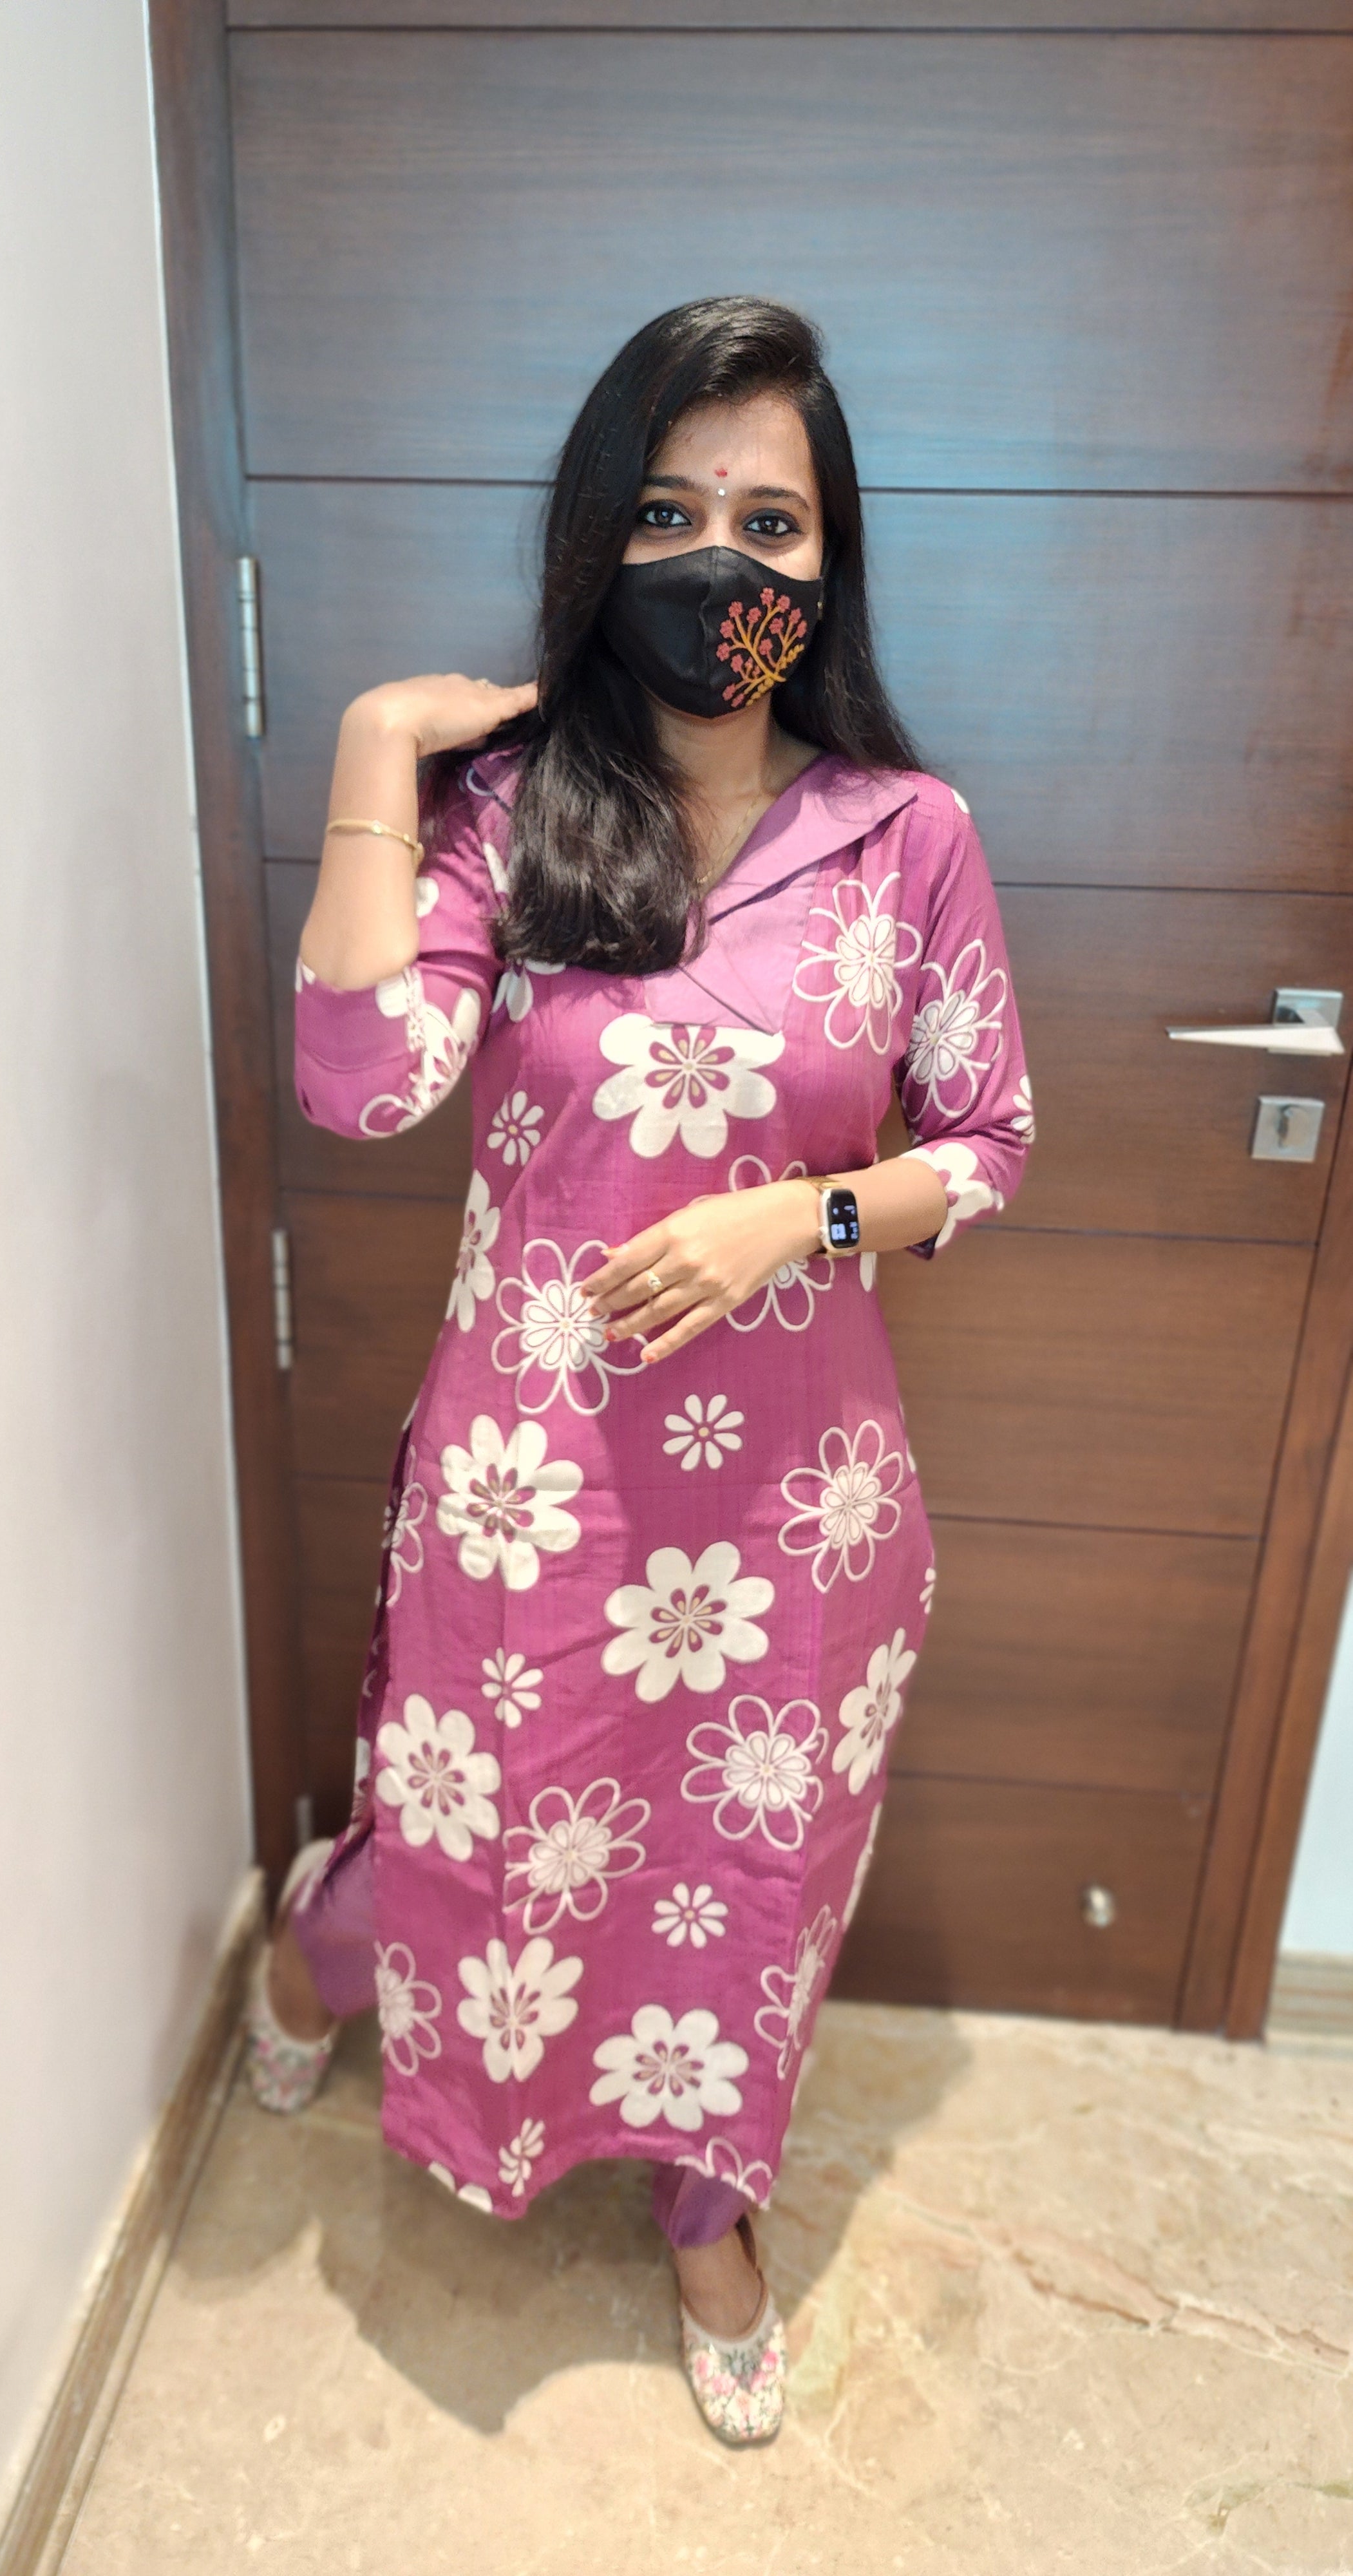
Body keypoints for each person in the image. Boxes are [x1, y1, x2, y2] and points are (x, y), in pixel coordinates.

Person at [243, 295, 1032, 2447]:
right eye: (669, 513)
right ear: (601, 537)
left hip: (798, 1520)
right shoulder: (507, 816)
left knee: (739, 1890)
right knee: (469, 1852)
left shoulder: (905, 833)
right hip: (539, 1492)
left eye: (769, 523)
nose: (719, 564)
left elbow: (987, 1143)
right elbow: (358, 1086)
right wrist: (376, 754)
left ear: (827, 560)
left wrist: (808, 1217)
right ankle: (314, 1954)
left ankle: (704, 2212)